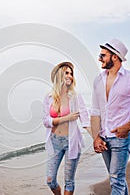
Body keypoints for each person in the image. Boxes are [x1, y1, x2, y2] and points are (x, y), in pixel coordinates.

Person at [91, 39, 130, 194]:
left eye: (103, 55)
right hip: (103, 139)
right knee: (117, 179)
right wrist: (96, 137)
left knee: (116, 179)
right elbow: (95, 111)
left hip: (121, 138)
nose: (99, 58)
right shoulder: (98, 80)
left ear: (114, 57)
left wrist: (127, 127)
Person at [43, 61, 91, 195]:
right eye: (66, 73)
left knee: (69, 181)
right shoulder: (49, 97)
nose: (70, 76)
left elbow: (85, 121)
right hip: (54, 141)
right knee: (50, 179)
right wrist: (66, 118)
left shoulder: (76, 96)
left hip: (71, 141)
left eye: (71, 73)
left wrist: (97, 138)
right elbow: (46, 121)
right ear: (59, 76)